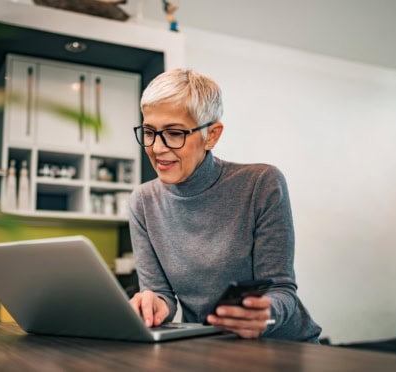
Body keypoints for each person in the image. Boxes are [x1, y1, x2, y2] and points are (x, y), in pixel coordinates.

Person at [128, 68, 322, 343]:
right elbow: (161, 295)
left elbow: (282, 290)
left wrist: (263, 314)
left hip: (282, 346)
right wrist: (155, 305)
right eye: (149, 132)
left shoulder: (261, 183)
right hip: (208, 347)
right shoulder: (143, 202)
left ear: (212, 135)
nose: (157, 148)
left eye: (174, 133)